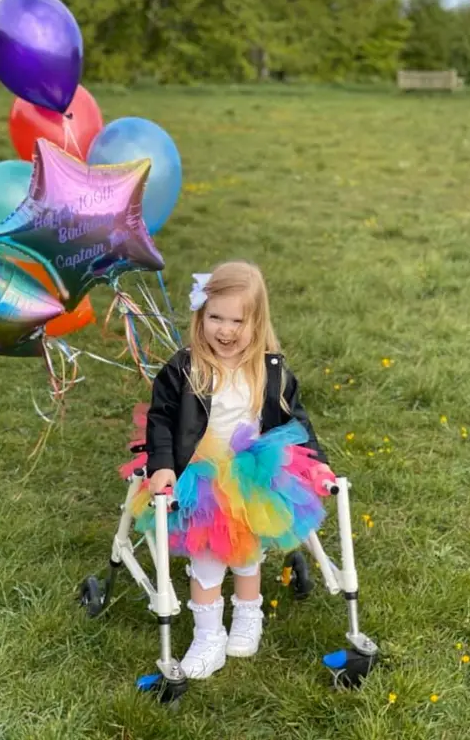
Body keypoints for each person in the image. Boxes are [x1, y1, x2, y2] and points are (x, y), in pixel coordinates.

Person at [134, 261, 334, 680]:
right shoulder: (184, 368)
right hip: (200, 475)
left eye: (237, 321)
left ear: (257, 322)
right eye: (215, 318)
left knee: (247, 550)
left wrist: (317, 466)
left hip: (252, 474)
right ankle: (208, 636)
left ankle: (248, 612)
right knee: (207, 555)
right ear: (200, 317)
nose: (225, 330)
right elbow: (162, 421)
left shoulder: (271, 371)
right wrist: (163, 466)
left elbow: (296, 422)